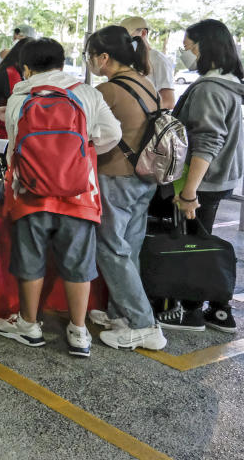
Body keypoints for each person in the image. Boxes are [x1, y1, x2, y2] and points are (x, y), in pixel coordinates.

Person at [0, 38, 121, 358]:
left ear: (25, 66)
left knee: (30, 258)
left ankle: (29, 324)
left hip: (30, 193)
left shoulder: (21, 94)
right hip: (78, 193)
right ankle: (78, 332)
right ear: (62, 64)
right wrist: (80, 156)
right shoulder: (86, 93)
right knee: (78, 261)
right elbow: (112, 134)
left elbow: (15, 142)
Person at [83, 26, 167, 351]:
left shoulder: (108, 90)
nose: (90, 62)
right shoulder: (147, 83)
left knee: (110, 248)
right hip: (145, 178)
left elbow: (88, 132)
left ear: (103, 57)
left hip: (117, 177)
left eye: (90, 56)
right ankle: (123, 316)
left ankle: (143, 324)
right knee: (129, 248)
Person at [158, 19, 244, 333]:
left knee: (190, 244)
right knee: (200, 240)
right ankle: (218, 309)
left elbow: (208, 140)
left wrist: (189, 192)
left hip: (199, 182)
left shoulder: (210, 89)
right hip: (216, 179)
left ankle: (191, 311)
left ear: (204, 47)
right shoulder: (228, 83)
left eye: (188, 47)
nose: (184, 54)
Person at [120, 16, 175, 110]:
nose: (125, 42)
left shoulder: (158, 60)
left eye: (129, 37)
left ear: (143, 33)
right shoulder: (127, 59)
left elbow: (169, 102)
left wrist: (139, 109)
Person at [0, 37, 31, 139]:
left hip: (1, 128)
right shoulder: (12, 73)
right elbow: (18, 103)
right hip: (0, 131)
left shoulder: (11, 69)